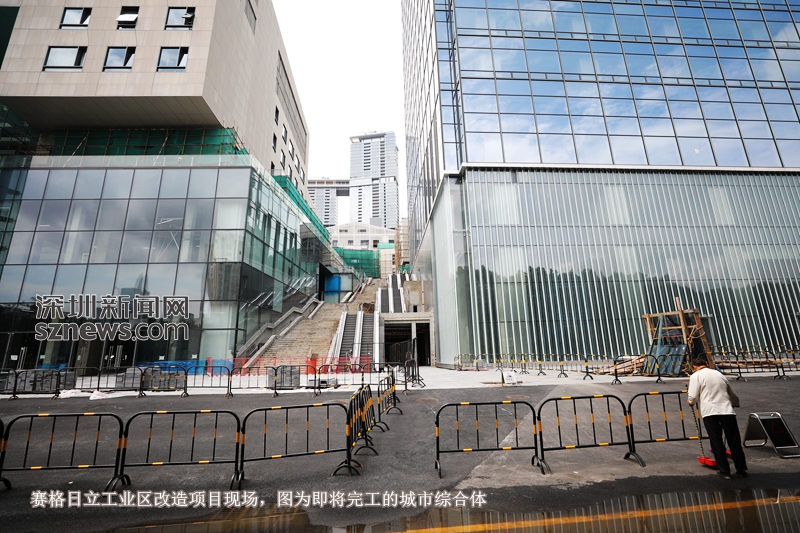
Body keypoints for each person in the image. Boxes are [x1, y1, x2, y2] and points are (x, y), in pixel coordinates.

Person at [687, 354, 747, 479]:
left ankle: (724, 471)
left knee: (716, 440)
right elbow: (731, 393)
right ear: (706, 365)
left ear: (694, 367)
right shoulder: (719, 374)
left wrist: (690, 402)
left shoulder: (695, 376)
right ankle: (741, 469)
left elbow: (693, 395)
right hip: (727, 411)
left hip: (710, 412)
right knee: (734, 440)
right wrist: (735, 403)